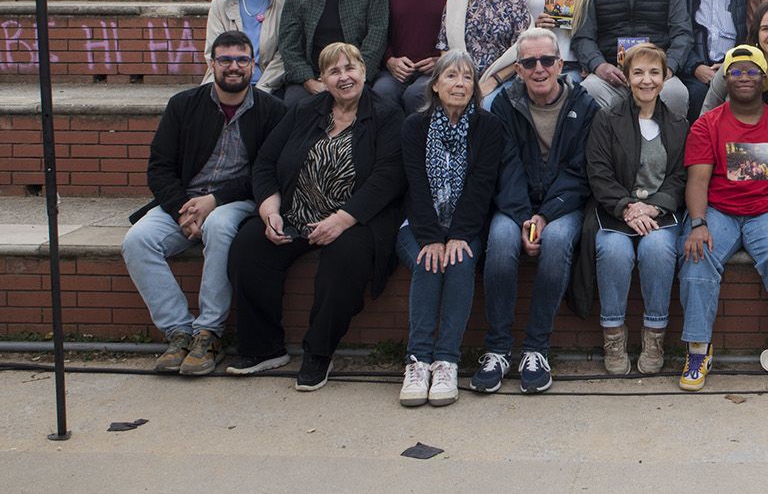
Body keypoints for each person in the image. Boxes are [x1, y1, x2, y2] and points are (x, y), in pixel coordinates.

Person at [225, 42, 405, 390]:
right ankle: (264, 348)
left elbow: (389, 178)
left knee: (344, 258)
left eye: (350, 68)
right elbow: (265, 162)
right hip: (297, 212)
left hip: (356, 220)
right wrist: (269, 208)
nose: (344, 77)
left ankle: (319, 352)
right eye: (334, 71)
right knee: (248, 246)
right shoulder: (304, 110)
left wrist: (343, 219)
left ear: (364, 72)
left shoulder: (387, 116)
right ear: (322, 78)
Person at [123, 32, 287, 376]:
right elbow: (160, 167)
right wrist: (183, 208)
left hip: (237, 201)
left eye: (242, 60)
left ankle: (209, 333)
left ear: (253, 65)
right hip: (182, 201)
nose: (234, 67)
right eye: (225, 60)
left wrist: (213, 201)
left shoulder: (272, 111)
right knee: (137, 241)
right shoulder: (183, 104)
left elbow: (266, 172)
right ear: (211, 63)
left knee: (219, 225)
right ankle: (179, 332)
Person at [678, 45, 768, 391]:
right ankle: (698, 348)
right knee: (697, 254)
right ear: (725, 78)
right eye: (735, 71)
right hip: (719, 210)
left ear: (764, 79)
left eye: (751, 71)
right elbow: (698, 180)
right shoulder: (707, 125)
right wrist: (698, 223)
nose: (743, 77)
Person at [475, 30, 600, 394]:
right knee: (499, 241)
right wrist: (522, 216)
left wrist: (545, 216)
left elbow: (581, 172)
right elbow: (504, 167)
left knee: (558, 241)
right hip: (516, 204)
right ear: (518, 69)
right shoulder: (503, 105)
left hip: (563, 205)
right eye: (529, 62)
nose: (539, 68)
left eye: (547, 60)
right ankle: (497, 349)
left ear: (560, 64)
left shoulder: (585, 105)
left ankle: (535, 349)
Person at [397, 51, 505, 407]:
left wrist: (457, 236)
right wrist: (431, 238)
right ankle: (418, 361)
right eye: (451, 77)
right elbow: (414, 184)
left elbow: (481, 186)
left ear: (475, 87)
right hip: (418, 225)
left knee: (458, 262)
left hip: (465, 225)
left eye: (467, 78)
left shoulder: (487, 127)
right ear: (435, 85)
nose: (459, 84)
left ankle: (446, 362)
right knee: (429, 262)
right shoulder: (415, 126)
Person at [586, 42, 688, 376]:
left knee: (658, 249)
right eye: (639, 72)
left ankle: (654, 337)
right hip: (615, 212)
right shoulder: (606, 119)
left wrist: (654, 208)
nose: (647, 80)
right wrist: (628, 207)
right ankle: (613, 336)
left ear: (664, 78)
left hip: (659, 213)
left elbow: (679, 176)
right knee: (613, 251)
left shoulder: (677, 123)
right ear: (627, 77)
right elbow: (598, 172)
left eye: (654, 72)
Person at [277, 0, 389, 109]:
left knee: (379, 105)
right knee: (294, 105)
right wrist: (309, 82)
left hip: (358, 75)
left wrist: (354, 78)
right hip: (314, 75)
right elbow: (289, 46)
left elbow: (376, 38)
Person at [682, 0, 751, 114]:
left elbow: (751, 38)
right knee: (695, 94)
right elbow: (678, 35)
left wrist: (734, 64)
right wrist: (695, 67)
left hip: (734, 69)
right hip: (694, 71)